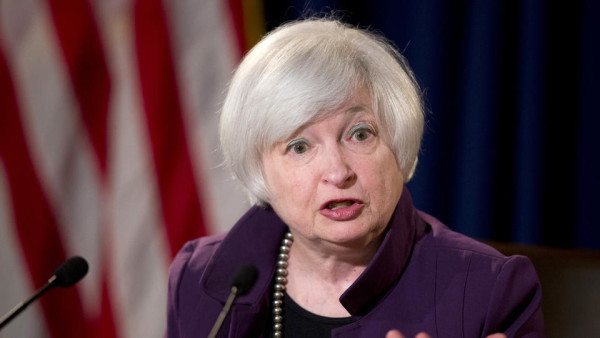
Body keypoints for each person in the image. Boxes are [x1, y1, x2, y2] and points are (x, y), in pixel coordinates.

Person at [166, 18, 543, 337]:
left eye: (360, 134)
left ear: (399, 143)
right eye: (299, 146)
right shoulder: (198, 279)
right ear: (258, 168)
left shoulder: (488, 291)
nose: (337, 172)